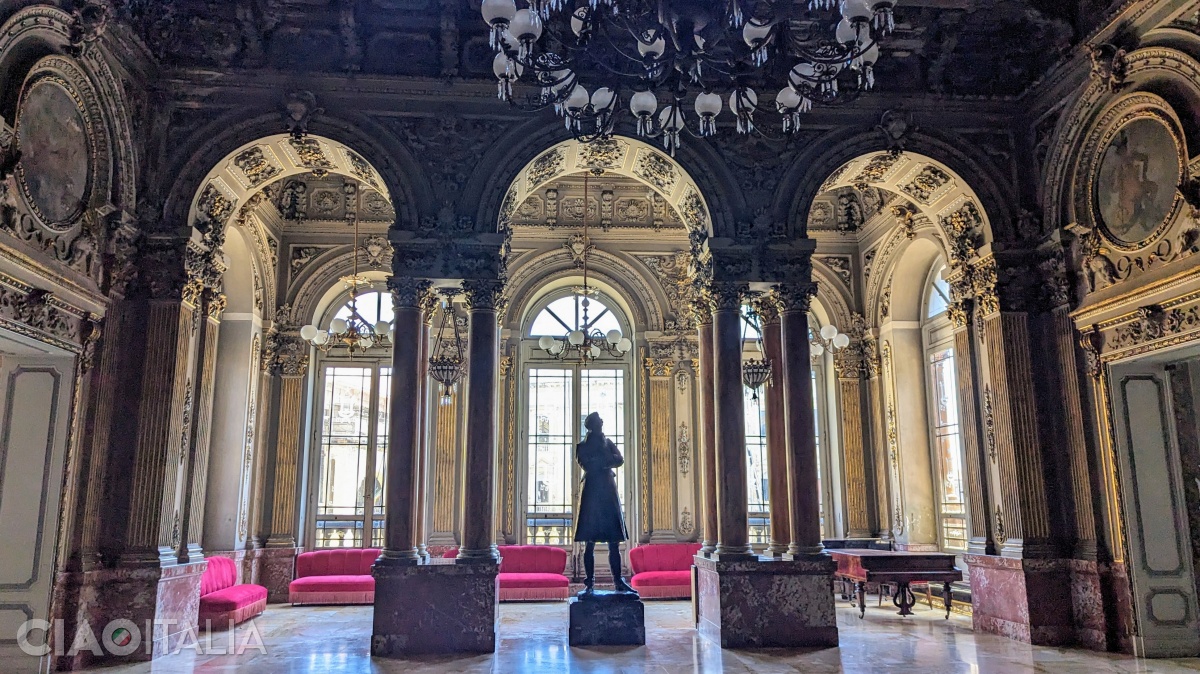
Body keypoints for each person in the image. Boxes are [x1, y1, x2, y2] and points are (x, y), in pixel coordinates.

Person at [574, 412, 635, 595]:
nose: (602, 422)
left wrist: (600, 461)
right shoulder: (582, 447)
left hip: (608, 493)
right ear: (593, 425)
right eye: (599, 421)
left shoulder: (607, 443)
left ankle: (618, 581)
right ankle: (589, 583)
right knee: (589, 542)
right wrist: (605, 461)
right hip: (592, 494)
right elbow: (587, 464)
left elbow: (620, 460)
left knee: (614, 541)